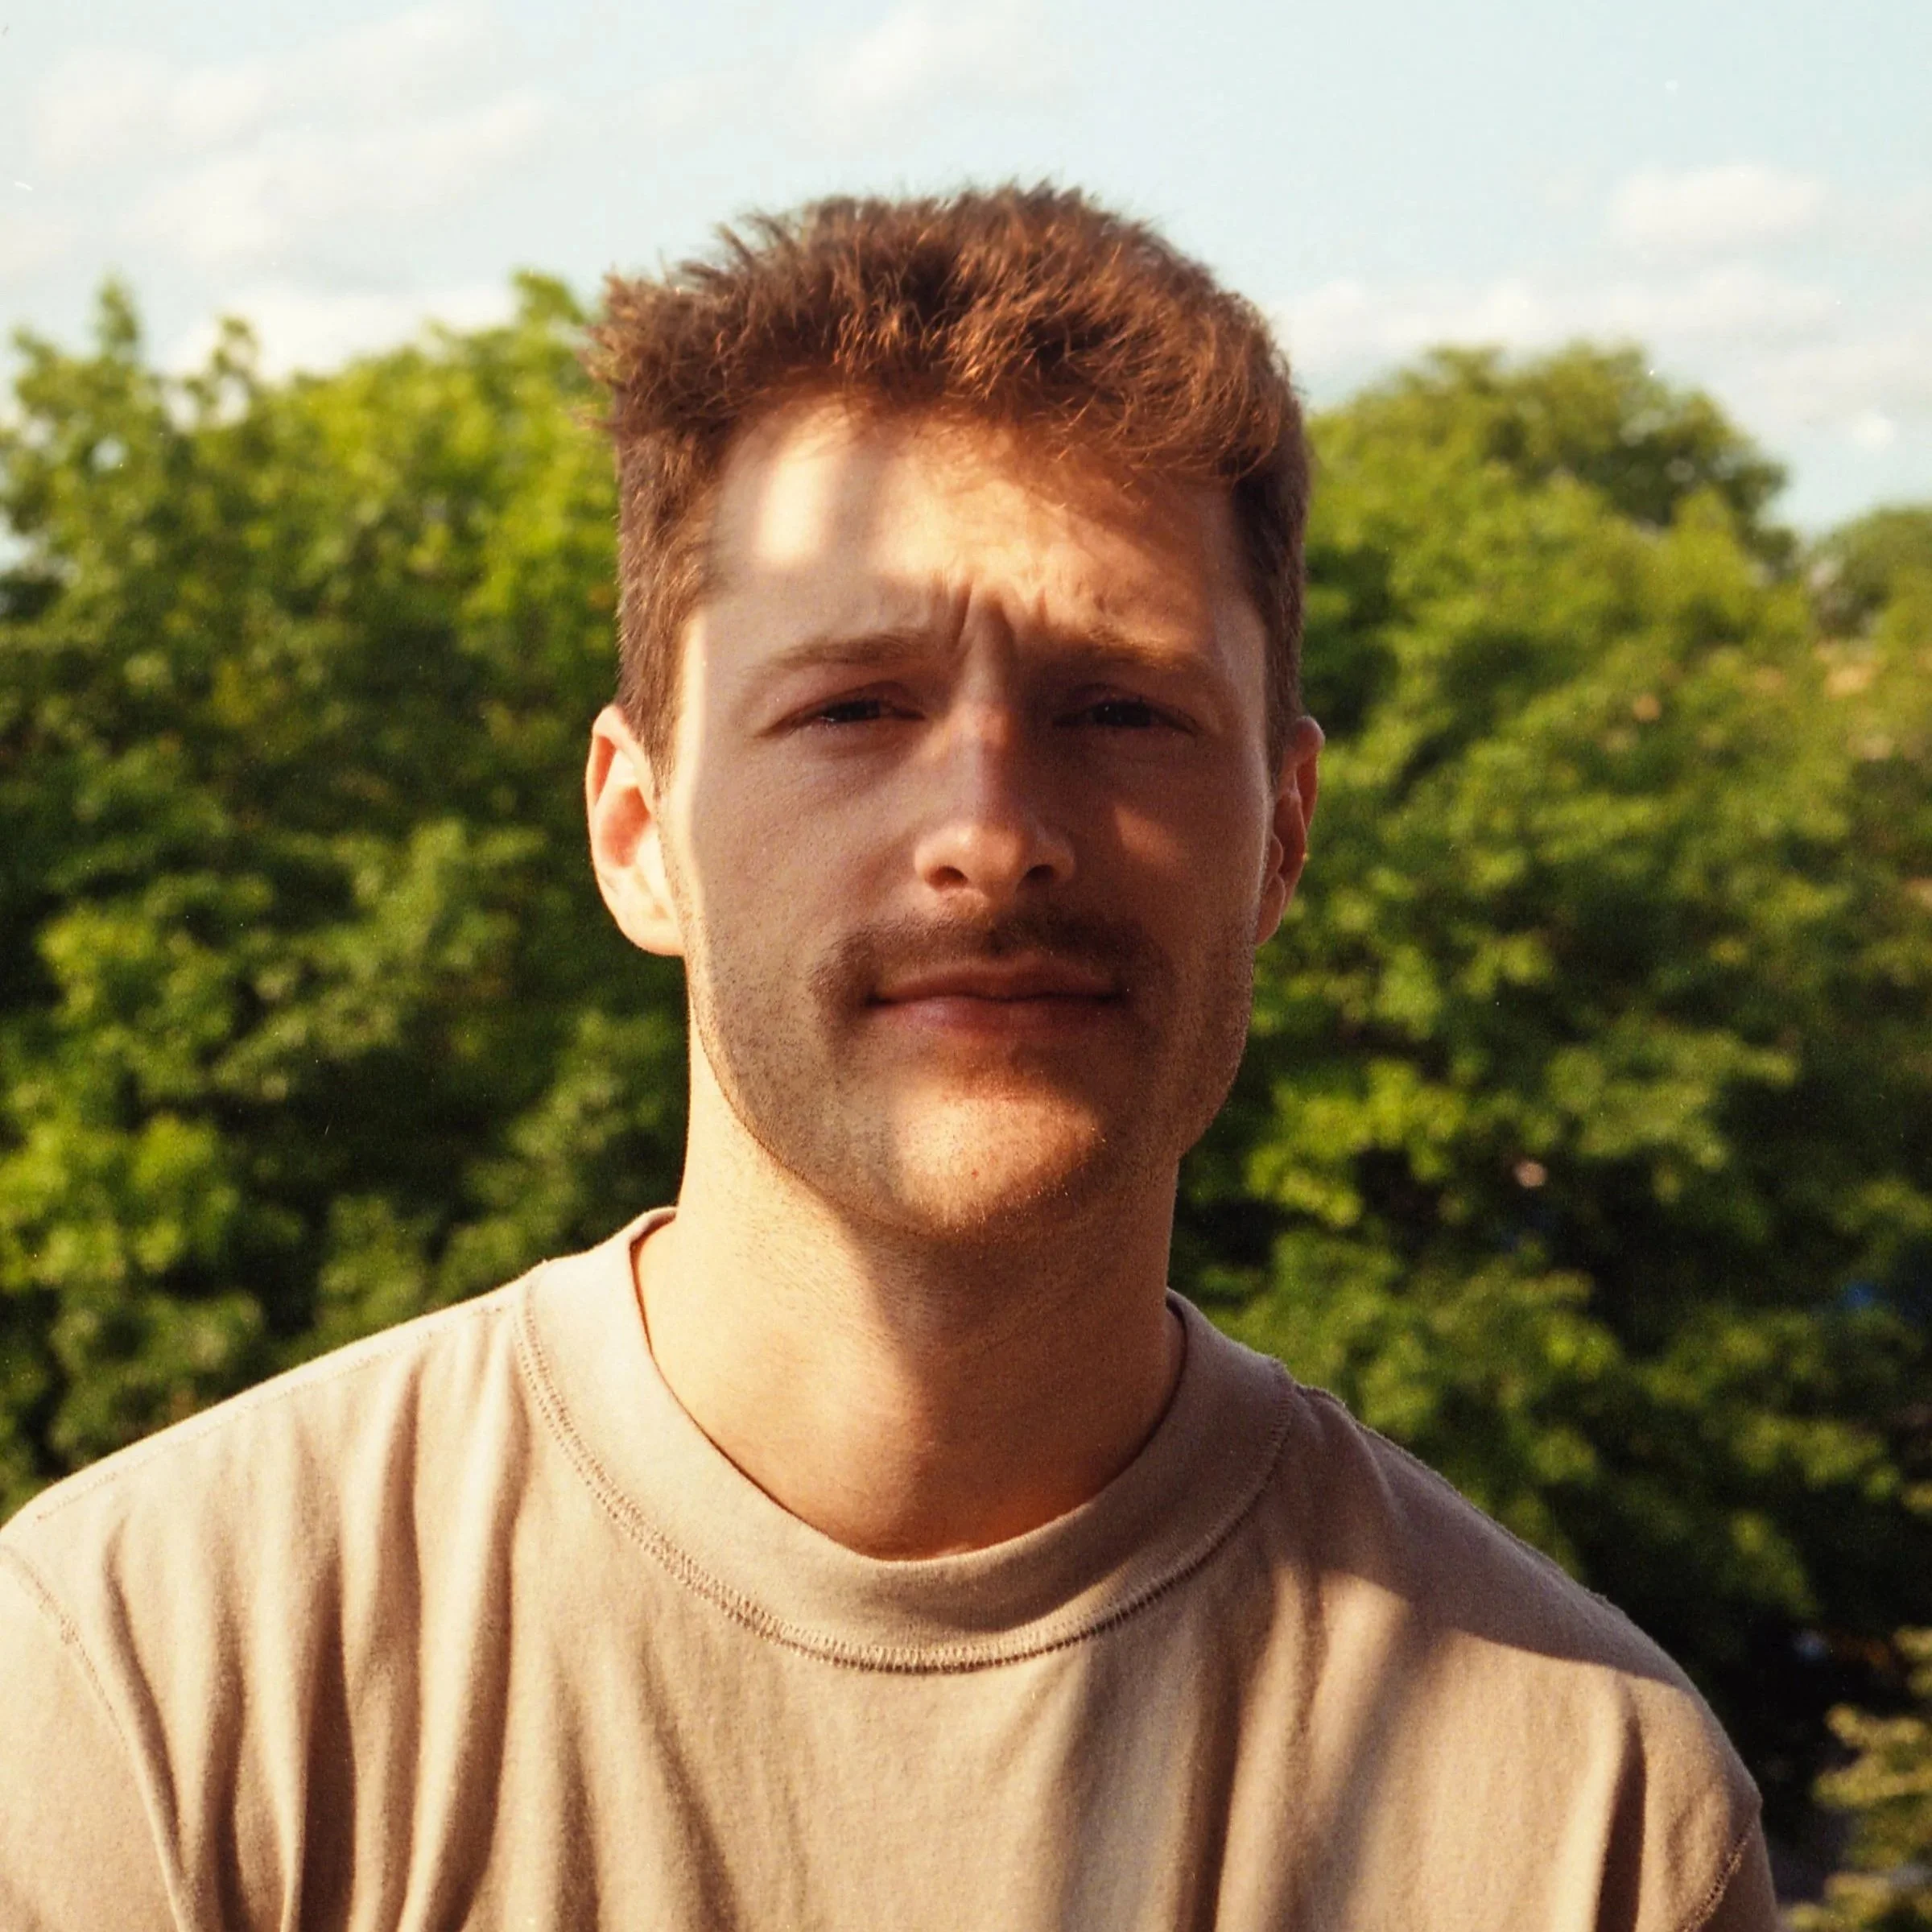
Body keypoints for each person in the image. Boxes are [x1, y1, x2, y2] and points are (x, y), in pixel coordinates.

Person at [0, 187, 1775, 1930]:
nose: (994, 835)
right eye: (855, 707)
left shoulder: (1584, 1817)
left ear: (1285, 837)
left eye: (1123, 709)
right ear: (639, 833)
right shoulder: (138, 1690)